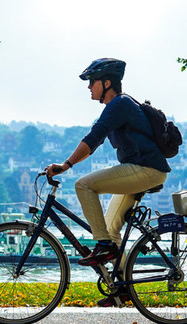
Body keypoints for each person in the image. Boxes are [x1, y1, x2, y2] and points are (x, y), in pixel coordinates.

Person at [46, 58, 170, 306]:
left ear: (107, 82)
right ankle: (123, 289)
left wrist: (66, 165)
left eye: (92, 82)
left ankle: (103, 246)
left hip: (146, 170)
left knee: (83, 185)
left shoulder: (120, 104)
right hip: (141, 170)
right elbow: (97, 137)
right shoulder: (118, 106)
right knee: (112, 231)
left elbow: (93, 138)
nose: (89, 87)